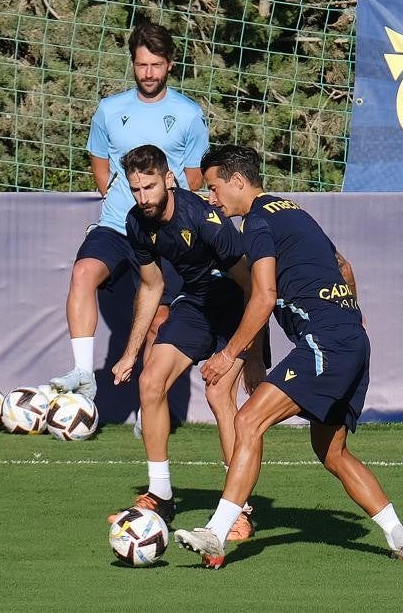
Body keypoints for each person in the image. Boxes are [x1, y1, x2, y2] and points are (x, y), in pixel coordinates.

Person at [172, 145, 403, 568]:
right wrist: (352, 318)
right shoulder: (295, 212)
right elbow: (343, 266)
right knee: (331, 452)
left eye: (214, 188)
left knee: (247, 420)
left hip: (324, 341)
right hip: (352, 341)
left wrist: (229, 354)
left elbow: (264, 295)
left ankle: (216, 532)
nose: (212, 198)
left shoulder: (256, 221)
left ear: (237, 180)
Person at [47, 20, 209, 400]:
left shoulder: (187, 114)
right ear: (132, 65)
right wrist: (116, 195)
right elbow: (99, 161)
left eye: (155, 65)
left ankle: (148, 404)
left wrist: (163, 208)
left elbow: (194, 178)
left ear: (170, 64)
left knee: (159, 322)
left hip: (164, 235)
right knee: (84, 272)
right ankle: (84, 373)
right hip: (118, 225)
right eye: (141, 65)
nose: (148, 73)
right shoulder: (109, 109)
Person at [107, 145, 257, 541]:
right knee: (149, 382)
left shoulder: (205, 218)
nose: (144, 198)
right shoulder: (137, 222)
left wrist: (250, 354)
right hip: (196, 302)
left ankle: (239, 510)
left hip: (236, 301)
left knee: (219, 394)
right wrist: (130, 352)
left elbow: (251, 286)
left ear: (169, 179)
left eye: (150, 187)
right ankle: (161, 494)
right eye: (136, 190)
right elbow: (153, 285)